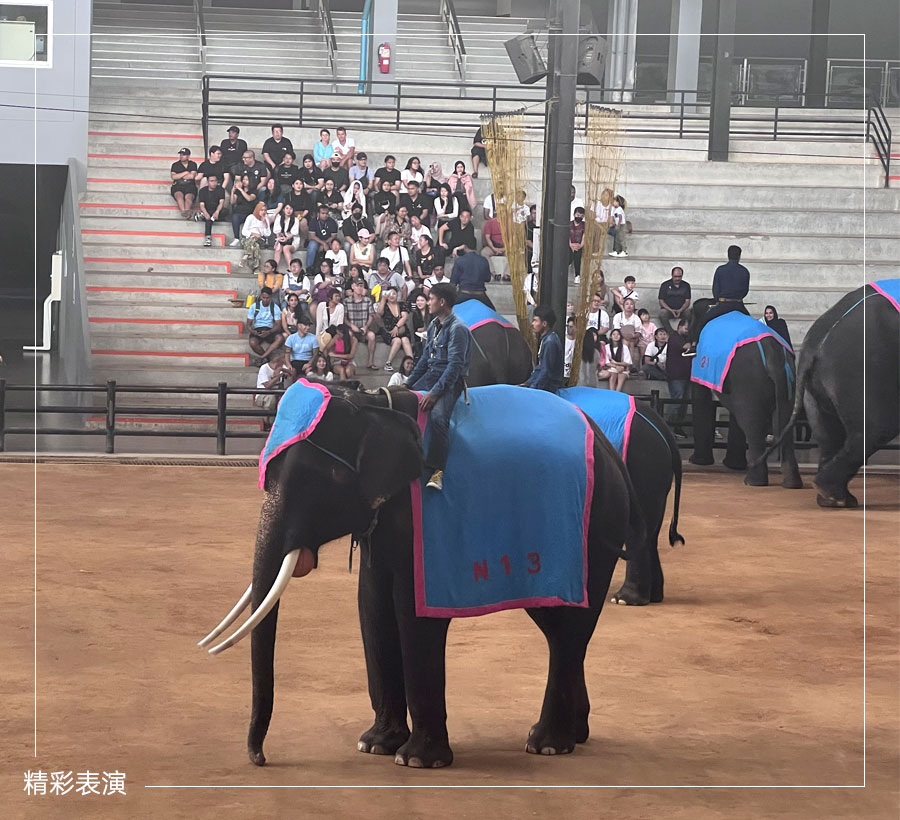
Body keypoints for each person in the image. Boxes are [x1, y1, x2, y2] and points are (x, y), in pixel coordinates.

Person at [406, 282, 473, 491]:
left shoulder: (458, 329)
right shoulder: (434, 324)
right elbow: (425, 359)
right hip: (431, 374)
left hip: (449, 381)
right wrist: (407, 383)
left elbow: (454, 368)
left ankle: (437, 470)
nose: (428, 302)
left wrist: (434, 394)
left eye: (431, 299)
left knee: (437, 418)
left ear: (442, 302)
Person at [684, 244, 751, 356]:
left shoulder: (721, 270)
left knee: (702, 322)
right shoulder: (745, 271)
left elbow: (715, 289)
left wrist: (718, 300)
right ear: (739, 256)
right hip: (739, 305)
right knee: (751, 323)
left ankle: (694, 345)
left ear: (728, 255)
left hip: (723, 305)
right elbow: (745, 290)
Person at [524, 306, 564, 392]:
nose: (533, 324)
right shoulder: (547, 339)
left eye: (535, 321)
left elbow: (546, 371)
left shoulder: (550, 342)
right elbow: (540, 368)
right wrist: (527, 383)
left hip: (549, 388)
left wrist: (532, 388)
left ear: (544, 324)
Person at [375, 286, 413, 372]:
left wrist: (397, 327)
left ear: (397, 295)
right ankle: (388, 363)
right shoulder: (384, 305)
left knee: (405, 339)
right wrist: (383, 299)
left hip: (401, 330)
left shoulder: (401, 304)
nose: (392, 296)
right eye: (389, 294)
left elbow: (404, 317)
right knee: (397, 341)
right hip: (389, 332)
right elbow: (379, 313)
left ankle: (411, 362)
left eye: (394, 294)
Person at [664, 319, 691, 435]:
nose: (687, 331)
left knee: (684, 404)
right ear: (679, 327)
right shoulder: (674, 337)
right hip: (676, 375)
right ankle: (667, 427)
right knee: (676, 401)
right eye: (686, 328)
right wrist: (693, 344)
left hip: (686, 375)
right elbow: (685, 347)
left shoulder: (685, 338)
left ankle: (678, 427)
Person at [344, 277, 378, 370]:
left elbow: (371, 316)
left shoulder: (367, 300)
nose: (359, 288)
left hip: (364, 328)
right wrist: (351, 326)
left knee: (372, 336)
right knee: (348, 334)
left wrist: (366, 327)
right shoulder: (346, 301)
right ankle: (348, 361)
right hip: (352, 328)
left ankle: (370, 362)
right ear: (353, 286)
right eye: (357, 285)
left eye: (361, 286)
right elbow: (344, 318)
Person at [246, 287, 283, 364]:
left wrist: (269, 332)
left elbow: (278, 325)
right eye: (263, 297)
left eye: (267, 298)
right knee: (252, 342)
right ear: (260, 296)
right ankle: (268, 358)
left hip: (270, 329)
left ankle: (262, 358)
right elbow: (248, 325)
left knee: (280, 338)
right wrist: (253, 332)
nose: (265, 300)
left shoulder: (275, 307)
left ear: (271, 297)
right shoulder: (254, 307)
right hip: (257, 329)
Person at [240, 202, 272, 275]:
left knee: (256, 243)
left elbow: (268, 234)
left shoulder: (266, 219)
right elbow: (244, 231)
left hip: (260, 240)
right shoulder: (251, 217)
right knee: (255, 246)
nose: (263, 212)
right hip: (247, 240)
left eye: (265, 210)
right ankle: (257, 268)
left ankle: (247, 255)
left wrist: (265, 223)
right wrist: (253, 234)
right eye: (261, 210)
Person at [657, 266, 692, 331]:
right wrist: (671, 310)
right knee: (662, 313)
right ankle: (671, 332)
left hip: (682, 310)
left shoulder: (686, 285)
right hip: (668, 310)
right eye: (675, 276)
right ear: (672, 275)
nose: (677, 278)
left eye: (679, 276)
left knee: (689, 312)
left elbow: (687, 301)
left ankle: (685, 331)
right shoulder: (665, 285)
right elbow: (661, 301)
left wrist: (680, 310)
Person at [196, 173, 225, 247]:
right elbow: (202, 205)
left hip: (217, 209)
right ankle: (208, 237)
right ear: (207, 182)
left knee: (225, 212)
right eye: (211, 181)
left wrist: (217, 211)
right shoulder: (202, 191)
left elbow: (221, 203)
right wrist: (205, 213)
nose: (214, 183)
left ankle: (201, 216)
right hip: (208, 210)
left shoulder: (221, 190)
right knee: (209, 218)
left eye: (215, 181)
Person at [306, 204, 339, 269]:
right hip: (317, 241)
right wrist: (323, 243)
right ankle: (309, 268)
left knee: (335, 244)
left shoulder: (332, 222)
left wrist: (325, 243)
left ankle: (334, 267)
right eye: (323, 213)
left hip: (328, 241)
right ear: (318, 214)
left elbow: (334, 236)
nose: (325, 215)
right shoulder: (313, 222)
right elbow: (312, 236)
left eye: (326, 213)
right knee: (312, 245)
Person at [229, 173, 257, 246]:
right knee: (235, 217)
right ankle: (236, 238)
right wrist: (232, 191)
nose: (244, 181)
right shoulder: (238, 191)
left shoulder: (253, 190)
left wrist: (240, 189)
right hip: (239, 212)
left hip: (249, 212)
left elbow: (249, 198)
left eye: (246, 179)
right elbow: (232, 202)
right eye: (243, 179)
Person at [170, 148, 197, 218]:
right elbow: (174, 177)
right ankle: (184, 212)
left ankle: (186, 212)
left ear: (188, 156)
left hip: (190, 185)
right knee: (179, 196)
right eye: (181, 155)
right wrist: (185, 172)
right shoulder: (175, 165)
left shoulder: (193, 164)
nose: (181, 156)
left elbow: (192, 176)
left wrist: (179, 176)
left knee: (189, 197)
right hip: (178, 185)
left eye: (184, 155)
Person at [272, 203, 301, 268]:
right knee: (278, 248)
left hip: (293, 241)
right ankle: (275, 268)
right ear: (283, 210)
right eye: (287, 208)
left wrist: (286, 238)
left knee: (286, 248)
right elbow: (277, 231)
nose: (288, 210)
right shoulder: (278, 218)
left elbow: (294, 233)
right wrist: (279, 239)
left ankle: (290, 268)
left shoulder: (295, 220)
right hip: (281, 239)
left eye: (291, 209)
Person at [569, 206, 586, 284]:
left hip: (579, 245)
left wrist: (580, 246)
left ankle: (577, 275)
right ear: (574, 214)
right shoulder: (569, 224)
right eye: (578, 215)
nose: (579, 217)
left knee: (577, 256)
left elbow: (584, 237)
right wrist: (571, 245)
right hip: (570, 245)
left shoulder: (584, 225)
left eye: (581, 216)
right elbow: (567, 236)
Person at [563, 315, 577, 379]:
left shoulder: (578, 343)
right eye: (567, 326)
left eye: (571, 327)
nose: (569, 328)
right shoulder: (563, 340)